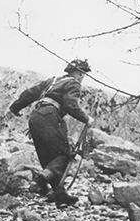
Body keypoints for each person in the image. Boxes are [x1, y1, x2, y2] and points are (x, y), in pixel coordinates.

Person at [8, 59, 94, 207]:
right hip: (51, 116)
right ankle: (40, 181)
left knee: (49, 159)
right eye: (83, 74)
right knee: (65, 154)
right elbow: (70, 105)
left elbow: (30, 93)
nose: (82, 77)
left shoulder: (52, 80)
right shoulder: (73, 83)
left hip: (35, 118)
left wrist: (15, 107)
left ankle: (59, 195)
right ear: (79, 73)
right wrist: (86, 119)